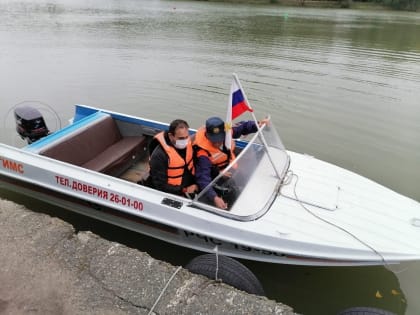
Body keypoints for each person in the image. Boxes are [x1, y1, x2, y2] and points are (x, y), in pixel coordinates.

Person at [194, 116, 269, 209]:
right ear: (207, 135)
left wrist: (257, 124)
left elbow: (242, 126)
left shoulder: (228, 132)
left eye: (220, 138)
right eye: (214, 140)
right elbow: (203, 178)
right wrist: (215, 198)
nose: (218, 143)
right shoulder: (202, 154)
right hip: (216, 176)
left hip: (231, 166)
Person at [149, 119, 198, 197]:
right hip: (175, 192)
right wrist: (185, 190)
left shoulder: (189, 145)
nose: (185, 141)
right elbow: (160, 186)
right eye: (181, 138)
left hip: (193, 184)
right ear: (171, 136)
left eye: (186, 137)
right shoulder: (159, 156)